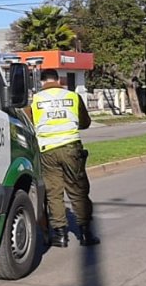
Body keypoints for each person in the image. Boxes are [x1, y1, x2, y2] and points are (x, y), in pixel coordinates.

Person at [30, 68, 99, 247]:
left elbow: (29, 123)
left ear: (42, 82)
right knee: (77, 190)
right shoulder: (72, 97)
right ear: (58, 80)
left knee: (54, 192)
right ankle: (85, 233)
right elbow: (85, 123)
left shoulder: (35, 100)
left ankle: (60, 236)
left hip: (47, 151)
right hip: (71, 148)